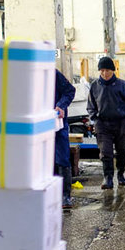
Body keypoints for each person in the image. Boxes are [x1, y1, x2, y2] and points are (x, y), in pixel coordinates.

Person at [87, 57, 125, 190]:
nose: (105, 73)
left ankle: (121, 174)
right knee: (106, 152)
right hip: (103, 125)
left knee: (122, 151)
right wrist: (95, 118)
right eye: (102, 70)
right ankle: (108, 178)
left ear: (113, 70)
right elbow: (91, 106)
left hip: (121, 123)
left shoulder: (122, 85)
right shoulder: (95, 85)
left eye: (107, 70)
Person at [54, 70, 76, 208]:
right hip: (37, 126)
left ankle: (65, 196)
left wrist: (61, 105)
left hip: (57, 123)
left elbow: (70, 91)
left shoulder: (53, 74)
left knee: (62, 158)